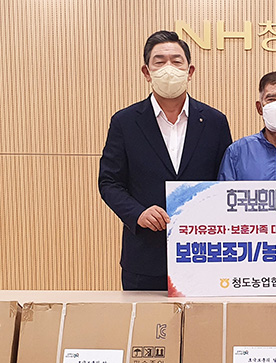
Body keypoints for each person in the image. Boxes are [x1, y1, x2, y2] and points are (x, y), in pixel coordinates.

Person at [98, 31, 232, 290]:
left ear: (190, 71)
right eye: (159, 62)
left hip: (203, 255)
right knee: (145, 319)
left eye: (176, 61)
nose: (168, 68)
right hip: (145, 257)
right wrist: (137, 213)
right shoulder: (125, 122)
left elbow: (225, 182)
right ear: (146, 72)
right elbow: (109, 182)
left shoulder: (215, 122)